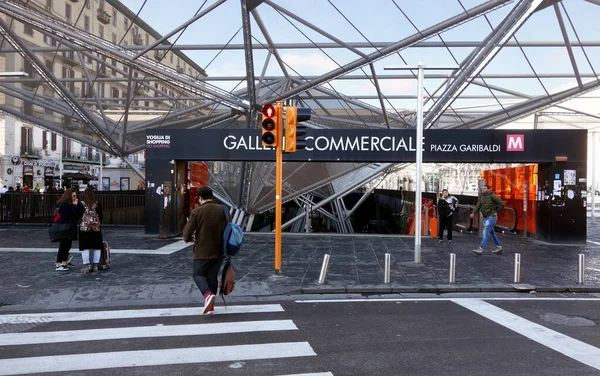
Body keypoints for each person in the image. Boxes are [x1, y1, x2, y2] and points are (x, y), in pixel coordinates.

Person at [183, 186, 228, 315]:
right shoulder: (222, 210)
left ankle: (207, 295)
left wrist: (189, 239)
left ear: (200, 198)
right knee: (211, 276)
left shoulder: (197, 212)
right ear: (212, 197)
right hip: (219, 250)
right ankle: (211, 307)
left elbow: (187, 233)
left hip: (202, 250)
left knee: (198, 274)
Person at [470, 185, 505, 255]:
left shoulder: (493, 196)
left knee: (485, 233)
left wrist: (496, 211)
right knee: (492, 233)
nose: (483, 189)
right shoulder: (481, 196)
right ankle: (498, 247)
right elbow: (478, 205)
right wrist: (473, 212)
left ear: (489, 189)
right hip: (485, 217)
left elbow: (502, 204)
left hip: (491, 217)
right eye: (482, 188)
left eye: (485, 188)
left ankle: (480, 248)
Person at [77, 187, 104, 274]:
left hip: (84, 229)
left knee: (85, 247)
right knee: (97, 246)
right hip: (96, 229)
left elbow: (77, 215)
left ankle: (87, 266)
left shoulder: (80, 204)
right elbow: (101, 217)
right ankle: (95, 266)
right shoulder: (97, 204)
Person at [55, 188, 79, 270]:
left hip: (69, 226)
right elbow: (69, 214)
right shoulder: (64, 204)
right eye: (73, 196)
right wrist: (74, 206)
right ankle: (59, 262)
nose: (75, 198)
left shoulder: (68, 204)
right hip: (65, 226)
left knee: (68, 245)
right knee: (63, 245)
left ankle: (64, 261)